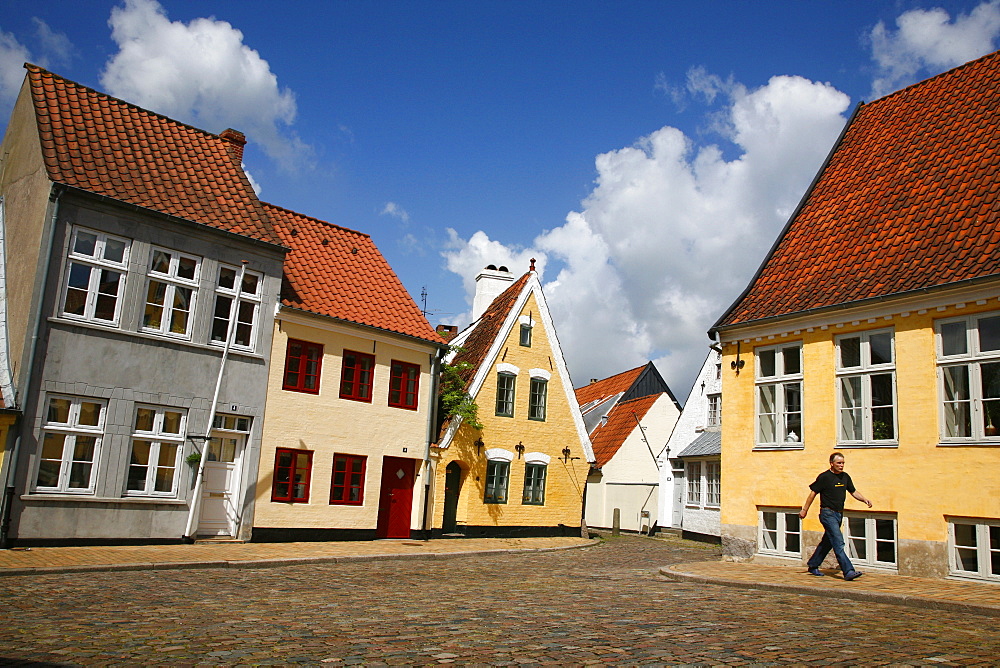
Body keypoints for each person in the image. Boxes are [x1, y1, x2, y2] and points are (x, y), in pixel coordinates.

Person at [799, 452, 872, 581]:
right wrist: (805, 510)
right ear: (831, 463)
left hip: (839, 514)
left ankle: (813, 564)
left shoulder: (845, 477)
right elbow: (812, 494)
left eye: (843, 463)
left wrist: (864, 499)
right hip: (828, 514)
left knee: (828, 542)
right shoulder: (824, 477)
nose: (841, 465)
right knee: (838, 542)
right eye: (839, 463)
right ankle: (848, 571)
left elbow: (853, 491)